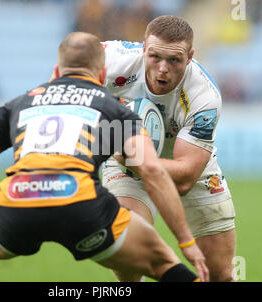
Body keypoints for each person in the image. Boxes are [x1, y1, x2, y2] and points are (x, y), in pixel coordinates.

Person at [0, 32, 209, 282]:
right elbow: (153, 172)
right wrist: (187, 243)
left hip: (18, 201)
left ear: (55, 70)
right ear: (102, 73)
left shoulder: (21, 103)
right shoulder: (114, 108)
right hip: (80, 205)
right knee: (161, 264)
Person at [100, 15, 236, 282]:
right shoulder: (109, 59)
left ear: (190, 56)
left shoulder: (204, 96)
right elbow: (65, 77)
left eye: (174, 60)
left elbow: (185, 177)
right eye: (155, 57)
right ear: (143, 49)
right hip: (126, 159)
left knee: (219, 274)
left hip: (184, 164)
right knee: (127, 247)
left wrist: (130, 156)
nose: (163, 68)